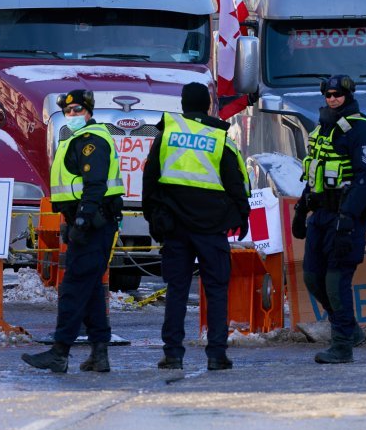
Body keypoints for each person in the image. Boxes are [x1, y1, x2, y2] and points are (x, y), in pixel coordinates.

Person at [142, 82, 251, 371]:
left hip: (175, 227)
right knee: (215, 290)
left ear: (182, 104)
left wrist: (151, 217)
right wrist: (243, 214)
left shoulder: (167, 133)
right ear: (208, 106)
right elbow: (235, 181)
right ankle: (217, 354)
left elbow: (149, 178)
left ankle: (173, 354)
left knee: (177, 290)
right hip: (211, 227)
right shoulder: (219, 137)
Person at [22, 89, 124, 373]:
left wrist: (81, 220)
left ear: (89, 112)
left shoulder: (91, 141)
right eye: (68, 111)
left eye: (78, 110)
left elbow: (95, 185)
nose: (72, 115)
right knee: (90, 291)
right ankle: (99, 353)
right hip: (90, 223)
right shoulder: (77, 140)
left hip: (93, 225)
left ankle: (59, 352)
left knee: (73, 289)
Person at [291, 74, 366, 364]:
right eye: (328, 95)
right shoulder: (323, 129)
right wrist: (301, 210)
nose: (332, 99)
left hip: (347, 217)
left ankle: (342, 345)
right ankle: (350, 329)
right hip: (321, 215)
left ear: (348, 95)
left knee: (336, 281)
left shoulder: (362, 130)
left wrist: (348, 218)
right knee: (312, 277)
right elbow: (314, 173)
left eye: (337, 94)